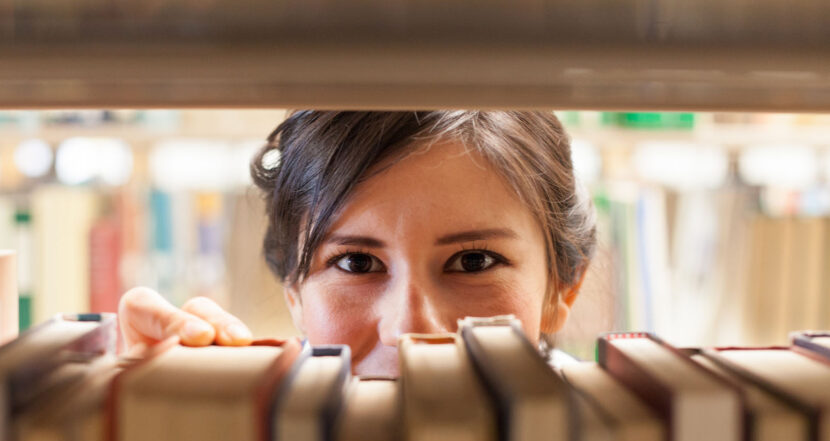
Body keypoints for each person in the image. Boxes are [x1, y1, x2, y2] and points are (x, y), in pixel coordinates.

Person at [118, 111, 596, 377]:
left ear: (563, 288)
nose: (408, 330)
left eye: (474, 261)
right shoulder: (255, 436)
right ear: (294, 294)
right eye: (356, 262)